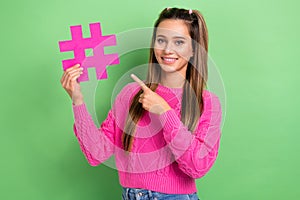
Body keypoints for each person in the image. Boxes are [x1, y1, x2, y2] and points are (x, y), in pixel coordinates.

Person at [61, 7, 222, 200]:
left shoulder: (208, 103)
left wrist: (164, 112)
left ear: (194, 49)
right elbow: (97, 153)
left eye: (179, 42)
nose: (167, 50)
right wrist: (77, 101)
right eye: (161, 40)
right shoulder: (130, 94)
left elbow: (198, 166)